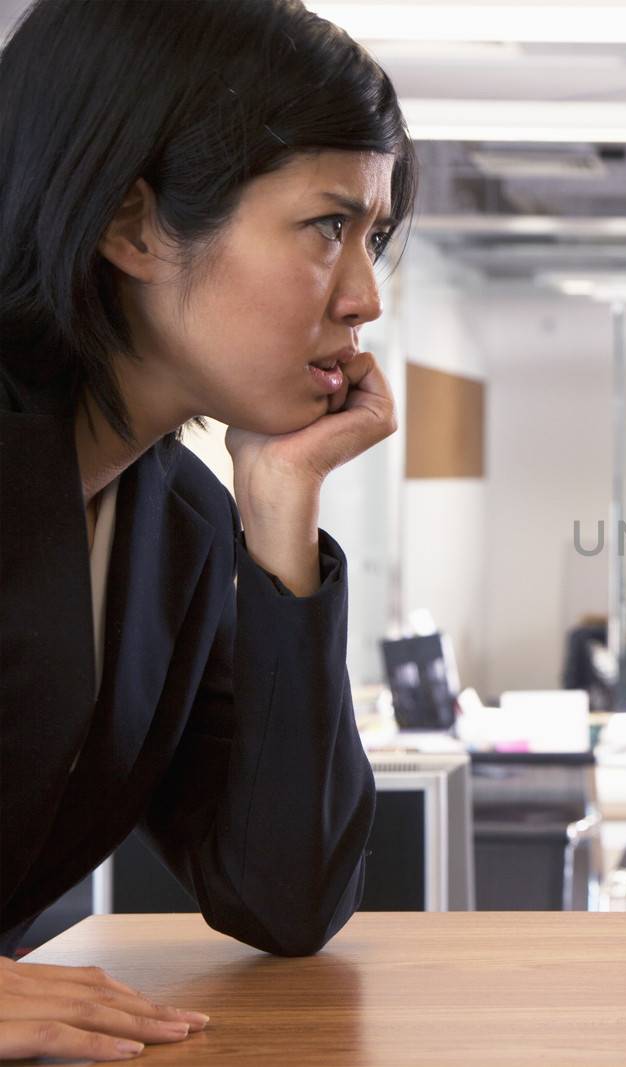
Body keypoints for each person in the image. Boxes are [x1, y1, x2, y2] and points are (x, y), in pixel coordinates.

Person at [0, 0, 413, 1059]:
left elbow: (283, 897)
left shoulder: (172, 514)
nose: (364, 297)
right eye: (327, 226)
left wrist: (278, 513)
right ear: (133, 226)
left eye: (372, 236)